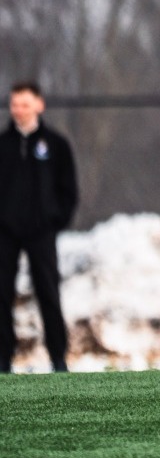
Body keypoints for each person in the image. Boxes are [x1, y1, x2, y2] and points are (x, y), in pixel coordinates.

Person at [1, 82, 77, 374]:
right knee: (1, 294)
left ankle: (58, 358)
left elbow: (68, 189)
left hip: (41, 232)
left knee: (48, 291)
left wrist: (55, 220)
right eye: (14, 104)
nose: (19, 110)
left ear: (39, 105)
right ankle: (3, 360)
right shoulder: (3, 145)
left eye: (25, 104)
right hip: (4, 233)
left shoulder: (56, 145)